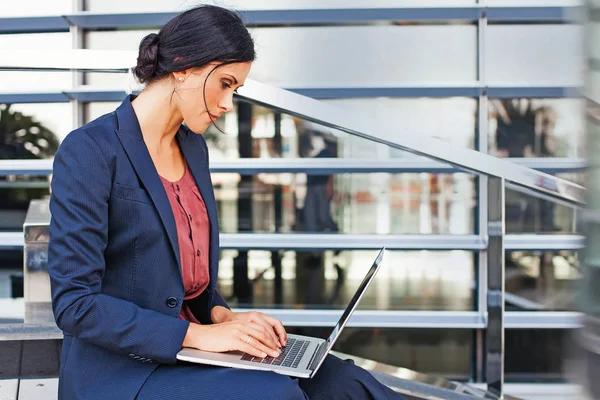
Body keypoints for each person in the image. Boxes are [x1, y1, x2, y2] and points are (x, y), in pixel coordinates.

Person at [48, 5, 403, 400]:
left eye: (236, 90)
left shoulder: (193, 148)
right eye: (225, 83)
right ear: (183, 66)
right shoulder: (90, 150)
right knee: (274, 394)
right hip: (124, 372)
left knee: (345, 382)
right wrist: (201, 334)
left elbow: (186, 282)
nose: (228, 104)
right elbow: (75, 303)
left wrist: (224, 316)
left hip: (193, 351)